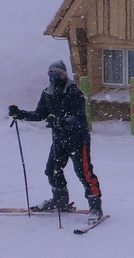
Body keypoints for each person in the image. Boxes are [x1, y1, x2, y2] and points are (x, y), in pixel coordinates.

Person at [8, 60, 103, 225]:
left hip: (78, 140)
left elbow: (80, 119)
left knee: (84, 174)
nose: (53, 78)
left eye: (56, 75)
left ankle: (95, 207)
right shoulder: (47, 93)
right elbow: (40, 114)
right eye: (50, 75)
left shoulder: (74, 93)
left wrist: (61, 121)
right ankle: (59, 200)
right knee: (52, 170)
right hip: (59, 140)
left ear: (63, 75)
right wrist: (20, 114)